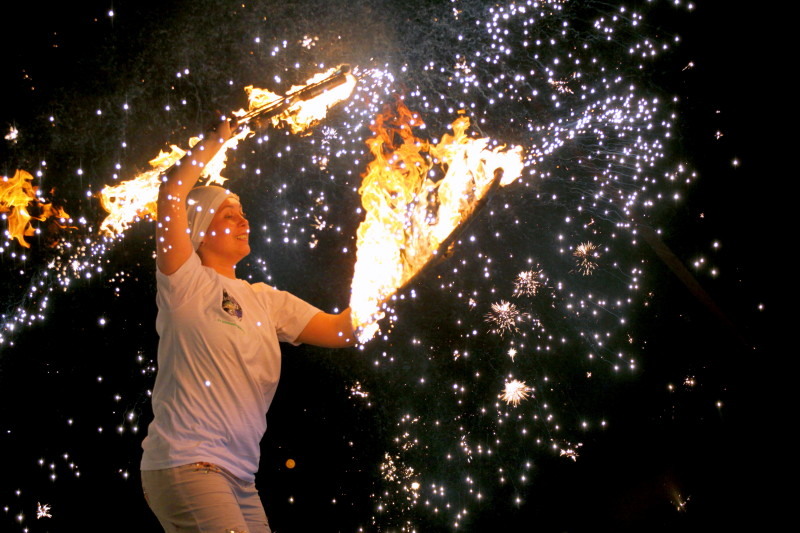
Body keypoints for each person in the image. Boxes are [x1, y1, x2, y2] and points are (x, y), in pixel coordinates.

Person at [140, 117, 356, 533]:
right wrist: (218, 138)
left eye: (243, 215)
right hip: (188, 463)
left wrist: (386, 286)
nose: (244, 222)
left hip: (240, 478)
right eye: (229, 216)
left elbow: (342, 331)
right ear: (199, 232)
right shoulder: (184, 282)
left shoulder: (267, 300)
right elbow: (171, 192)